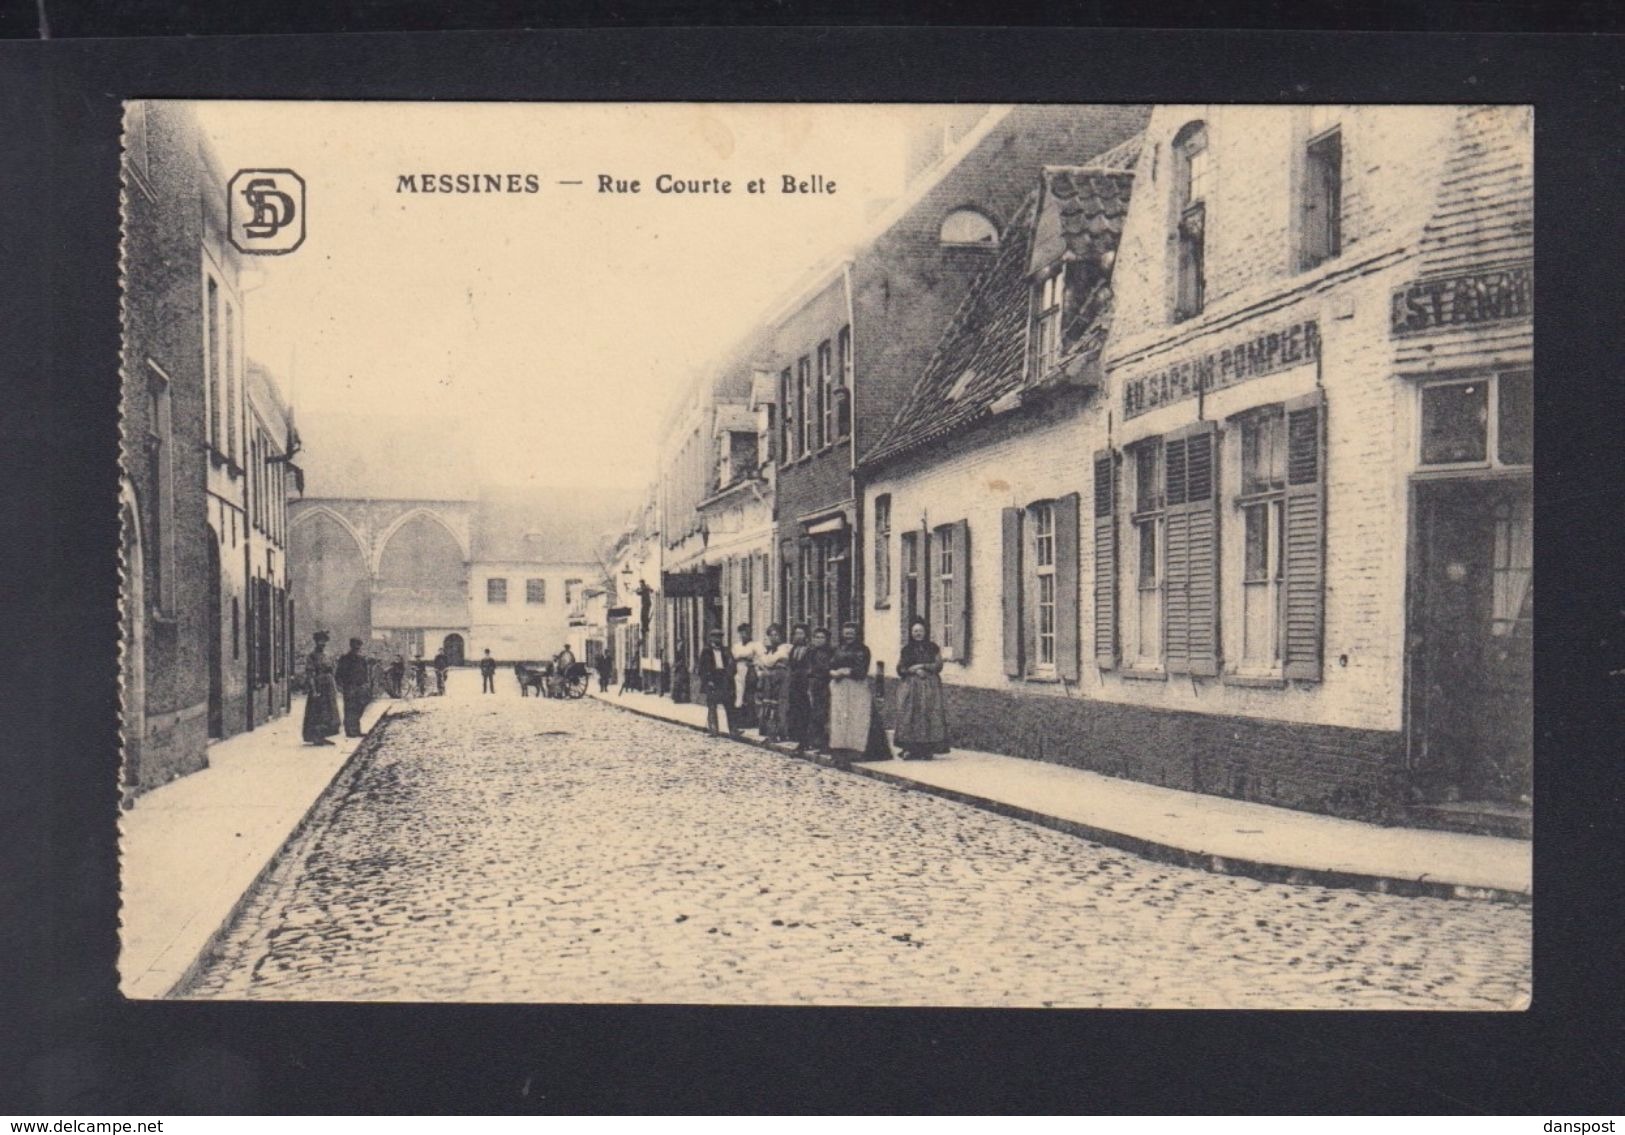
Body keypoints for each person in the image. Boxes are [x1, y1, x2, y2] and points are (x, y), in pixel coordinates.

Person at [895, 617, 951, 760]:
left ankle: (927, 750)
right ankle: (910, 749)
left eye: (920, 630)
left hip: (929, 686)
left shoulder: (933, 648)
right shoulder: (906, 649)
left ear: (925, 632)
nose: (917, 633)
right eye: (915, 631)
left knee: (928, 714)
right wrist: (912, 671)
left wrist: (922, 666)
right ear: (911, 633)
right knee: (910, 715)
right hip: (911, 687)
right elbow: (900, 668)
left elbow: (938, 665)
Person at [826, 622, 875, 767]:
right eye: (846, 633)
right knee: (839, 718)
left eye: (851, 634)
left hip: (856, 687)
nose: (848, 636)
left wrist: (847, 672)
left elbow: (862, 670)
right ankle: (839, 748)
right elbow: (831, 665)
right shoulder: (838, 649)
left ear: (857, 634)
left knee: (856, 717)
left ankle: (856, 749)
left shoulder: (863, 650)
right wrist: (833, 672)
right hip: (839, 687)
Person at [301, 631, 341, 745]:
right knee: (317, 712)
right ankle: (315, 737)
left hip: (328, 687)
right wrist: (313, 690)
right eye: (320, 641)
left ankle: (323, 735)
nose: (322, 644)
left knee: (329, 712)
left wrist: (335, 687)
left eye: (324, 641)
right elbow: (310, 674)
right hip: (318, 687)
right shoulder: (312, 656)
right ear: (316, 642)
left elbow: (332, 671)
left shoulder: (326, 656)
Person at [696, 628, 735, 736]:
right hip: (712, 679)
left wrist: (729, 676)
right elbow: (701, 669)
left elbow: (732, 664)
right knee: (712, 705)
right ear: (711, 638)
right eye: (715, 637)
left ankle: (733, 730)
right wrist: (707, 681)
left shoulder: (726, 650)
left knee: (729, 704)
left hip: (723, 678)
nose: (718, 639)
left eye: (720, 637)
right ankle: (713, 729)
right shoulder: (706, 651)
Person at [754, 624, 790, 741]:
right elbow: (763, 663)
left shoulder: (785, 649)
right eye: (771, 635)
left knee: (780, 706)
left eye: (776, 635)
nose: (774, 638)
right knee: (769, 706)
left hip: (781, 680)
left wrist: (767, 668)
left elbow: (776, 664)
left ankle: (782, 733)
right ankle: (771, 733)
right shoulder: (769, 651)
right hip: (769, 681)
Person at [802, 627, 835, 754]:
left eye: (821, 637)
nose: (818, 640)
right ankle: (814, 741)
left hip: (825, 684)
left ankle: (825, 743)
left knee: (823, 714)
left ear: (827, 639)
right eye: (816, 637)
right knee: (813, 713)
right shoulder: (810, 652)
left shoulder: (830, 652)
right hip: (813, 684)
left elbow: (829, 667)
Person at [782, 624, 812, 750]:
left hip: (805, 684)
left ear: (806, 635)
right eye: (796, 634)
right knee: (796, 711)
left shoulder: (809, 649)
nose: (798, 636)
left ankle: (806, 740)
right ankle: (798, 737)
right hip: (794, 684)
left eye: (801, 633)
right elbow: (790, 665)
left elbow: (809, 667)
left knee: (806, 711)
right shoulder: (793, 649)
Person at [336, 637, 370, 738]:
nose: (357, 649)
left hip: (360, 687)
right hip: (349, 686)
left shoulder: (362, 659)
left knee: (360, 707)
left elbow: (365, 673)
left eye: (358, 647)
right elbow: (339, 673)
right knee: (350, 708)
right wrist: (340, 685)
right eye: (355, 647)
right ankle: (350, 731)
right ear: (351, 646)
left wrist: (366, 684)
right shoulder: (344, 658)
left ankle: (356, 729)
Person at [731, 623, 761, 732]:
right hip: (739, 671)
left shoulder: (756, 645)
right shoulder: (736, 646)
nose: (744, 635)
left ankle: (751, 720)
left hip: (750, 671)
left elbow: (761, 658)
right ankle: (740, 720)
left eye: (747, 632)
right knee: (739, 694)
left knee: (749, 694)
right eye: (742, 632)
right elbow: (734, 657)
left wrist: (753, 664)